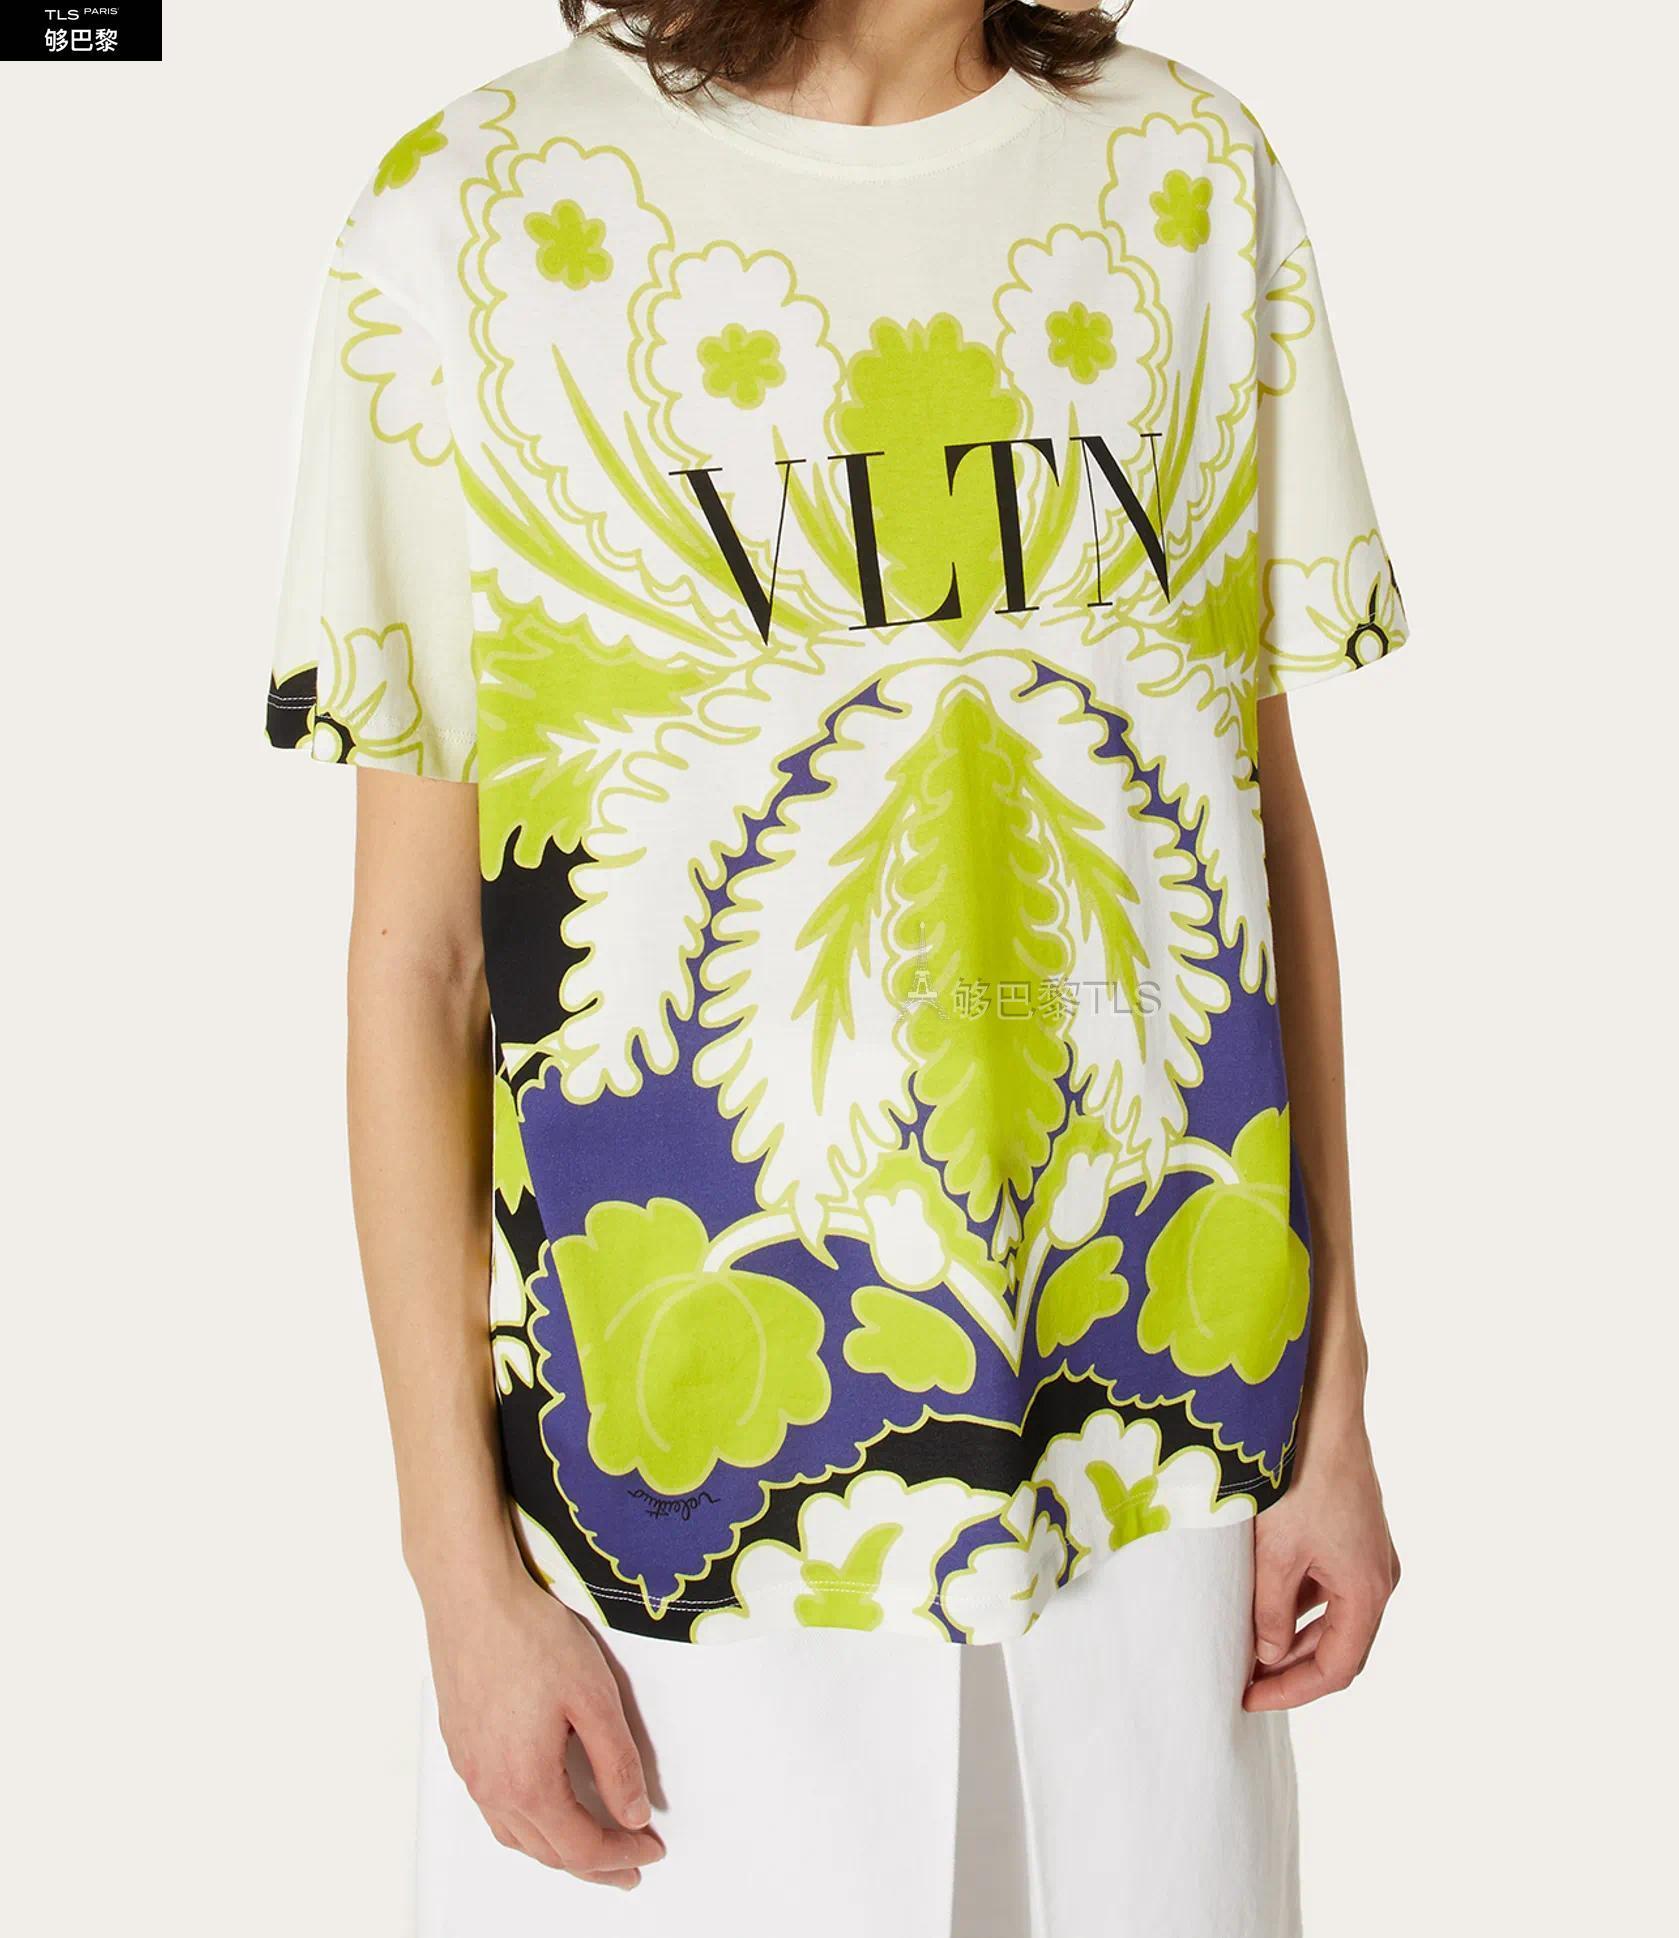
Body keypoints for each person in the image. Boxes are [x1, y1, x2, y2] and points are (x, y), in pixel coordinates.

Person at [268, 2, 1405, 1930]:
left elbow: (1252, 830)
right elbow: (421, 956)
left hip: (1159, 1456)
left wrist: (1334, 1405)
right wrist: (458, 1576)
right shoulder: (470, 216)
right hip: (675, 1495)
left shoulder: (1191, 182)